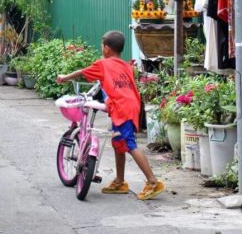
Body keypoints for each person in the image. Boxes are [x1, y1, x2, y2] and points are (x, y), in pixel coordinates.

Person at [56, 30, 165, 200]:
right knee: (118, 143)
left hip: (122, 108)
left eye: (102, 45)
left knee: (129, 143)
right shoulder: (125, 65)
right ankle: (120, 181)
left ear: (106, 48)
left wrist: (64, 77)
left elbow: (82, 72)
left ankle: (152, 181)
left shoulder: (103, 64)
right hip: (129, 105)